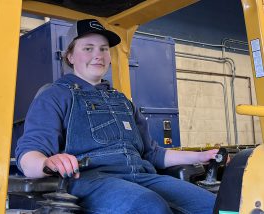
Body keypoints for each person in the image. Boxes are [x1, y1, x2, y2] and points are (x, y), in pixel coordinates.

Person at [16, 19, 217, 214]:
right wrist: (46, 163)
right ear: (70, 56)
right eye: (88, 48)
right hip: (89, 181)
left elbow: (153, 154)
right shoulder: (54, 95)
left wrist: (201, 156)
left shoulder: (122, 101)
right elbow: (28, 154)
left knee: (216, 205)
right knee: (148, 207)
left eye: (104, 49)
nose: (98, 55)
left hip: (141, 177)